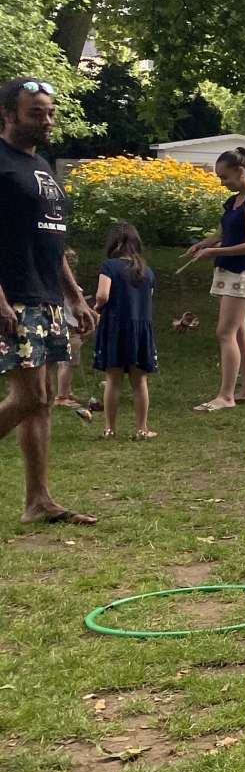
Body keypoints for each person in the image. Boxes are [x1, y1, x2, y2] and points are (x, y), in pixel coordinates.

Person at [0, 77, 98, 524]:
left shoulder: (41, 167)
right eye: (36, 112)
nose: (47, 119)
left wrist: (75, 296)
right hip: (14, 298)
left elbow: (51, 242)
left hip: (48, 298)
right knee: (28, 397)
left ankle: (37, 500)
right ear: (9, 114)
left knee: (40, 403)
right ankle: (36, 500)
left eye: (50, 112)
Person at [182, 145, 245, 413]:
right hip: (228, 269)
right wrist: (202, 244)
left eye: (225, 177)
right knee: (239, 332)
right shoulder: (234, 201)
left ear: (240, 171)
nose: (222, 183)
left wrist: (214, 252)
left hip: (243, 271)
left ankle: (226, 396)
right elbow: (224, 232)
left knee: (225, 332)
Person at [90, 221, 158, 440]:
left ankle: (109, 428)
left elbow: (102, 295)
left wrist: (97, 308)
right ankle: (142, 428)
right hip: (140, 328)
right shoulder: (147, 271)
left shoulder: (109, 266)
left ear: (114, 244)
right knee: (140, 382)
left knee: (113, 380)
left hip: (114, 327)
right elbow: (149, 298)